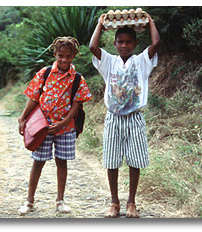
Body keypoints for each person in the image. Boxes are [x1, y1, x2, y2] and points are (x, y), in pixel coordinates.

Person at [89, 12, 160, 218]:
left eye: (129, 42)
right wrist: (100, 24)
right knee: (112, 160)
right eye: (120, 41)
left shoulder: (141, 62)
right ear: (115, 43)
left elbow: (156, 43)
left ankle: (131, 202)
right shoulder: (109, 62)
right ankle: (114, 202)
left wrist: (151, 21)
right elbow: (93, 47)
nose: (124, 45)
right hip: (113, 117)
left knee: (135, 160)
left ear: (135, 44)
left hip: (135, 117)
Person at [18, 36, 92, 215]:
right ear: (55, 53)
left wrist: (63, 123)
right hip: (42, 127)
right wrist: (23, 118)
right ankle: (29, 201)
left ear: (74, 55)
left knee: (62, 162)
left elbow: (76, 105)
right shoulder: (44, 73)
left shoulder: (77, 79)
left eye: (68, 56)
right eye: (60, 55)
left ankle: (60, 200)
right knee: (38, 162)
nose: (64, 60)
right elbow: (34, 98)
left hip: (65, 128)